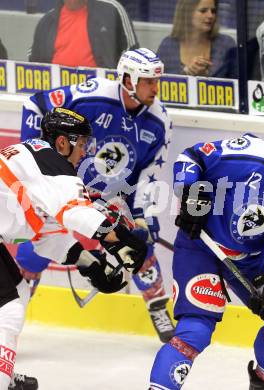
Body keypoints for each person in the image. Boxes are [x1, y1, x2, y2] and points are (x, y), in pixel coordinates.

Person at [149, 111, 264, 390]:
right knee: (195, 330)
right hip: (201, 246)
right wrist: (190, 192)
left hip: (249, 260)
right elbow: (192, 157)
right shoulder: (248, 152)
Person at [20, 47, 175, 343]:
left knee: (138, 248)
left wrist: (143, 217)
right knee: (35, 250)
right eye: (148, 81)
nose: (155, 88)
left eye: (156, 81)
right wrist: (36, 160)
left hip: (113, 199)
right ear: (128, 79)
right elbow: (35, 103)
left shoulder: (159, 121)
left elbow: (148, 176)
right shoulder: (93, 94)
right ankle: (15, 308)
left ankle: (157, 307)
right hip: (69, 191)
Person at [0, 107, 148, 390]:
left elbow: (45, 232)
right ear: (62, 143)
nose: (84, 153)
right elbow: (75, 212)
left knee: (17, 291)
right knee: (8, 310)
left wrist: (90, 263)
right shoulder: (51, 163)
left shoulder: (35, 161)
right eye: (81, 145)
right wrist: (118, 240)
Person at [28, 0, 138, 68]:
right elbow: (33, 62)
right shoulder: (47, 21)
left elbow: (132, 53)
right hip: (60, 95)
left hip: (101, 94)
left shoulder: (112, 10)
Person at [157, 0, 237, 78]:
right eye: (203, 11)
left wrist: (205, 77)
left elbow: (237, 83)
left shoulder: (226, 44)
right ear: (187, 13)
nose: (210, 15)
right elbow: (156, 83)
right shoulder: (168, 45)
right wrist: (187, 73)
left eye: (213, 11)